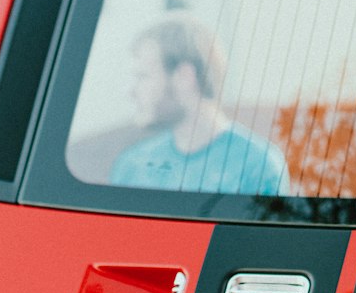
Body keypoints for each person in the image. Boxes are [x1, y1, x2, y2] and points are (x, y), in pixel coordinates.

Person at [110, 14, 290, 196]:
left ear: (184, 76)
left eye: (143, 76)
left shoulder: (257, 166)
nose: (131, 92)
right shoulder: (131, 166)